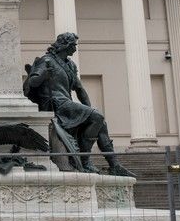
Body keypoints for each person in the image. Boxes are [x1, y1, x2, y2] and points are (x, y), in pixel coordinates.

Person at [24, 33, 134, 176]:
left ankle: (114, 165)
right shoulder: (47, 61)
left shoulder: (70, 65)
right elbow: (32, 82)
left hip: (66, 103)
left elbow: (80, 89)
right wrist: (44, 74)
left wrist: (89, 110)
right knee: (97, 117)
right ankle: (85, 160)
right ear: (65, 45)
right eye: (73, 45)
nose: (75, 49)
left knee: (100, 121)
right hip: (56, 104)